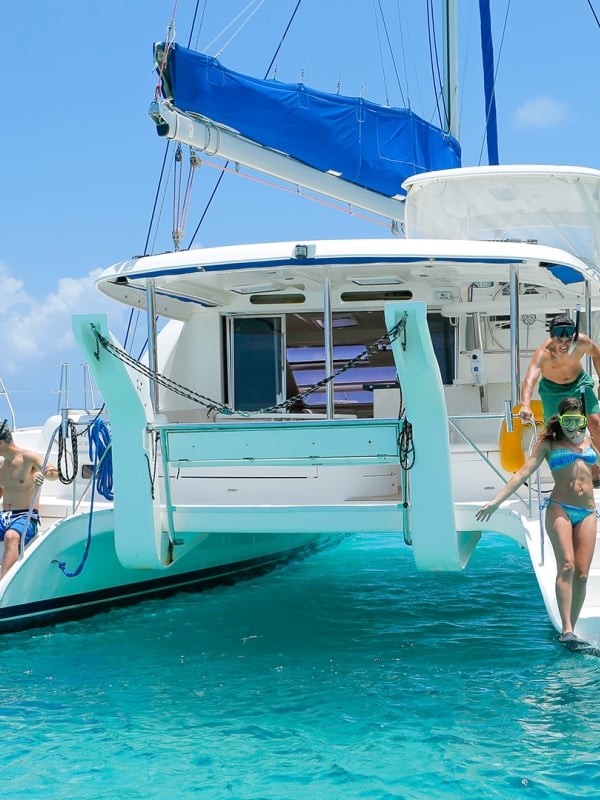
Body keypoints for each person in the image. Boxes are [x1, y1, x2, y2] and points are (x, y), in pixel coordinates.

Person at [476, 397, 599, 645]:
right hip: (560, 509)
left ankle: (571, 626)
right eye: (569, 420)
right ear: (560, 419)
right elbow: (523, 472)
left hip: (588, 511)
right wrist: (496, 501)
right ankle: (566, 629)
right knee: (567, 565)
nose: (573, 426)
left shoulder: (590, 442)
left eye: (578, 420)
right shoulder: (548, 444)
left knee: (583, 574)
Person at [519, 313, 600, 486]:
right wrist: (525, 405)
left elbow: (597, 354)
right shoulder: (543, 353)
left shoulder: (582, 342)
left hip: (579, 383)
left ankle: (595, 473)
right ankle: (563, 479)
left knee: (596, 423)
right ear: (551, 336)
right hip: (552, 390)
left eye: (567, 340)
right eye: (559, 340)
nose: (564, 345)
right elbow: (529, 379)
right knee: (555, 433)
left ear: (574, 335)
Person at [0, 419, 58, 578]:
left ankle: (2, 586)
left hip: (26, 516)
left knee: (11, 537)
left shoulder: (28, 458)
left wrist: (43, 474)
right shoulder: (1, 466)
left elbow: (54, 472)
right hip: (4, 516)